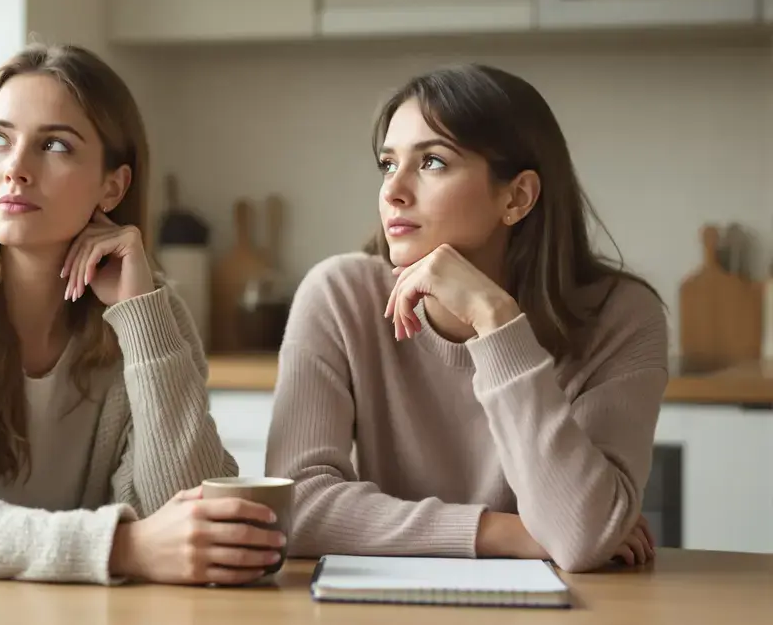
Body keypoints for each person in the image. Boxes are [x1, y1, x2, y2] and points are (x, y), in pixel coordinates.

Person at [0, 44, 284, 624]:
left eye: (55, 144)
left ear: (113, 187)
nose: (16, 166)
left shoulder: (150, 313)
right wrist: (124, 546)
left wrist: (143, 320)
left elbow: (183, 515)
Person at [265, 63, 667, 573]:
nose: (393, 191)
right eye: (389, 164)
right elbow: (296, 508)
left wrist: (496, 322)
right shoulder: (341, 296)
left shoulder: (622, 318)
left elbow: (580, 536)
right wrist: (506, 533)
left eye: (432, 162)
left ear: (517, 197)